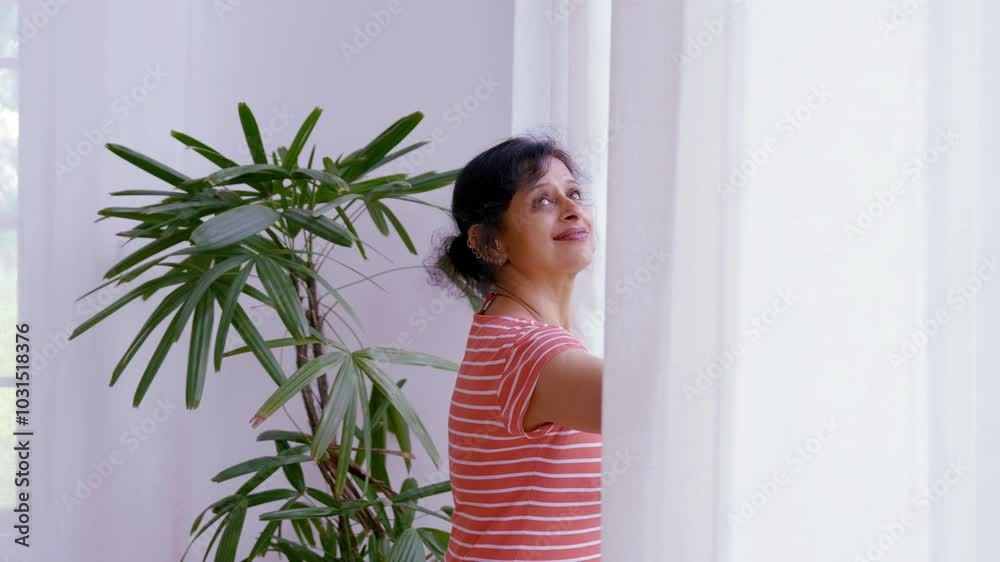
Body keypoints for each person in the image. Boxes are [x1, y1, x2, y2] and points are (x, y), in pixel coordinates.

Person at [431, 136, 604, 561]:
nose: (572, 209)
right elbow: (668, 406)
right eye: (542, 201)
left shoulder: (503, 333)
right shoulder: (529, 351)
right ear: (492, 242)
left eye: (574, 193)